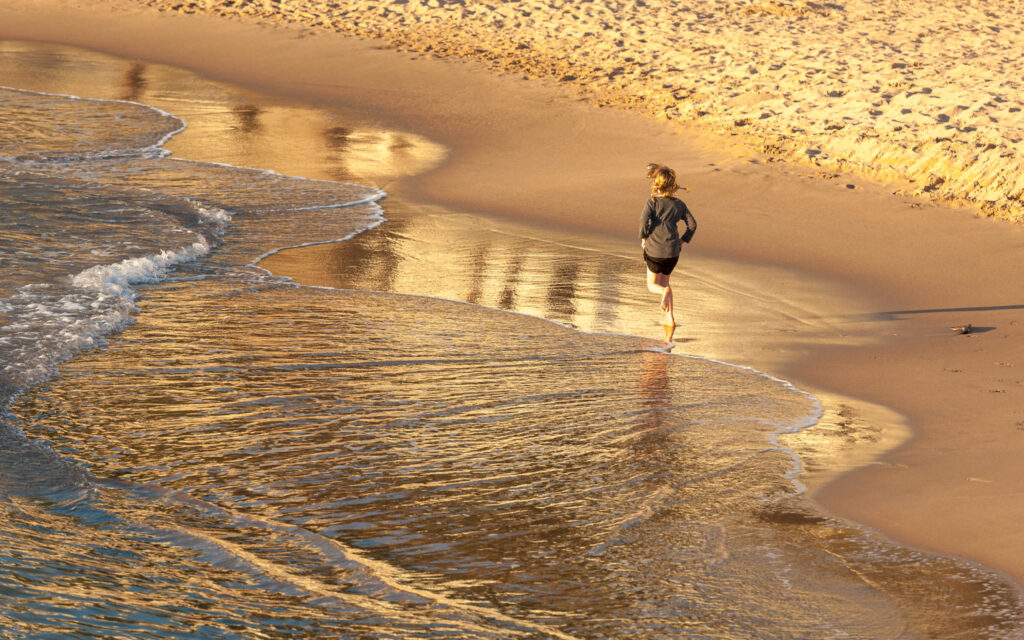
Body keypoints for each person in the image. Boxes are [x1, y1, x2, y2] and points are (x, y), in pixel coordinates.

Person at [639, 163, 697, 328]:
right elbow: (692, 225)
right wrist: (683, 240)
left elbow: (643, 221)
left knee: (653, 286)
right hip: (673, 252)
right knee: (666, 282)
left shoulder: (652, 202)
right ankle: (670, 318)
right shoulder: (679, 204)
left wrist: (643, 237)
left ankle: (663, 294)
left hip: (654, 250)